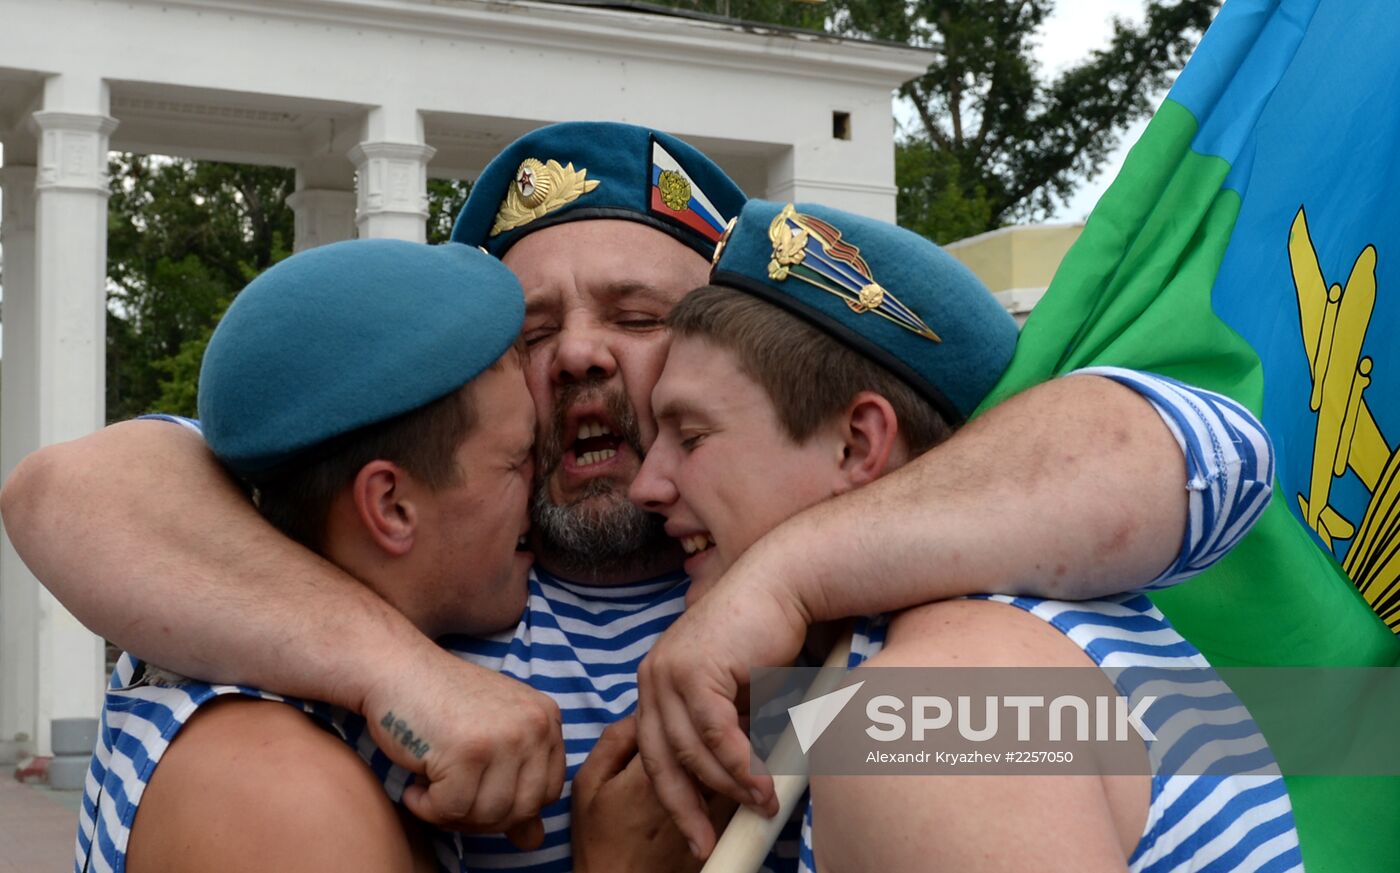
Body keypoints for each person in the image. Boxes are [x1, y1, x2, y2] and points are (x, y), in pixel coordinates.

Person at [2, 122, 1274, 870]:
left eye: (638, 315)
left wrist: (783, 579)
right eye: (529, 327)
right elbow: (77, 488)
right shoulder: (410, 559)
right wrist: (397, 668)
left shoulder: (917, 536)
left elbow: (1183, 440)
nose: (576, 356)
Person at [630, 198, 1300, 871]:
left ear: (856, 445)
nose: (646, 485)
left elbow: (1226, 453)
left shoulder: (928, 715)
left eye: (691, 436)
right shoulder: (996, 640)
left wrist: (782, 576)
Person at [75, 239, 564, 873]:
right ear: (391, 506)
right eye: (518, 459)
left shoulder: (209, 615)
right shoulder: (289, 804)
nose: (543, 480)